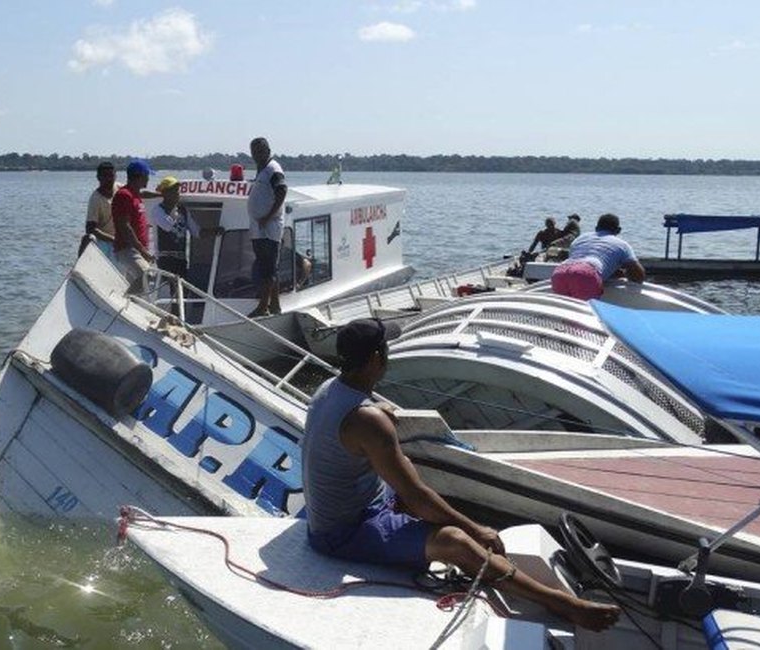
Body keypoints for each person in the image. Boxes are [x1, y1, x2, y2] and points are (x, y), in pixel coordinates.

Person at [300, 318, 622, 632]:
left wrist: (379, 414)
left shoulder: (331, 389)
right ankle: (560, 602)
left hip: (357, 508)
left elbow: (356, 432)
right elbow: (416, 496)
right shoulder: (368, 421)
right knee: (457, 541)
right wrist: (476, 529)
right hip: (343, 533)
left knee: (422, 489)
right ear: (376, 358)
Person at [551, 213, 645, 300]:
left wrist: (610, 270)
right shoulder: (622, 245)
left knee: (566, 312)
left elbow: (575, 266)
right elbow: (638, 276)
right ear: (618, 230)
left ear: (596, 228)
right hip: (586, 274)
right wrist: (623, 274)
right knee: (589, 313)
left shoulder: (580, 239)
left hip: (560, 272)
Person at [247, 137, 287, 317]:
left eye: (260, 151)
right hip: (259, 226)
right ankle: (275, 305)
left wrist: (268, 216)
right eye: (254, 152)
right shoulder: (261, 169)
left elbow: (282, 191)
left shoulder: (273, 169)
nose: (257, 155)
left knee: (268, 268)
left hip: (269, 226)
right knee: (267, 267)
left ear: (268, 151)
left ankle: (263, 306)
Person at [112, 159, 157, 293]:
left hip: (136, 250)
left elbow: (145, 194)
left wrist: (162, 194)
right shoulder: (124, 195)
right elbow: (124, 226)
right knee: (148, 276)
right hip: (128, 249)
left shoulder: (135, 193)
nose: (148, 179)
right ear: (140, 176)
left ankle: (130, 305)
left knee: (138, 286)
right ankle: (124, 301)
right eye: (147, 176)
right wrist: (142, 250)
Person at [149, 176, 200, 295]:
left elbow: (196, 232)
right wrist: (175, 210)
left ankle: (177, 313)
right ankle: (173, 313)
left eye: (178, 190)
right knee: (174, 290)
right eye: (174, 191)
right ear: (165, 193)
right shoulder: (157, 210)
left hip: (181, 259)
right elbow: (168, 226)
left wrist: (215, 231)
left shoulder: (183, 210)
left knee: (182, 291)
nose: (177, 194)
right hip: (166, 258)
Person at [80, 161, 119, 257]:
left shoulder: (119, 188)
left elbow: (138, 193)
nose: (109, 179)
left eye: (111, 175)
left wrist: (159, 194)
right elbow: (90, 229)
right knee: (87, 238)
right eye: (105, 176)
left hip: (121, 239)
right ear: (98, 177)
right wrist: (113, 239)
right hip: (104, 241)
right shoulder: (95, 199)